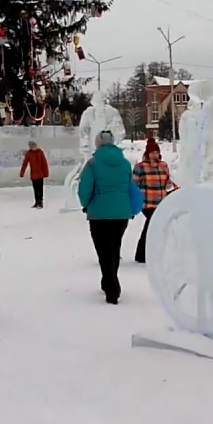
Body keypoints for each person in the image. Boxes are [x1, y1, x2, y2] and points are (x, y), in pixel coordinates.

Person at [77, 129, 135, 304]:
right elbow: (130, 186)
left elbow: (84, 189)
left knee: (103, 252)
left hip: (99, 213)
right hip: (122, 213)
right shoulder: (125, 163)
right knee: (114, 248)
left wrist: (86, 204)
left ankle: (112, 289)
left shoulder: (92, 164)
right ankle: (108, 281)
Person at [132, 137, 178, 263]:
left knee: (152, 227)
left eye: (156, 152)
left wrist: (172, 186)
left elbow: (167, 183)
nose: (155, 155)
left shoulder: (163, 165)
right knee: (152, 225)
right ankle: (142, 254)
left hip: (161, 202)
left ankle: (145, 253)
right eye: (152, 152)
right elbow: (133, 184)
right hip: (147, 203)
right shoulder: (140, 167)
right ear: (147, 154)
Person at [19, 140, 50, 208]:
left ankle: (40, 202)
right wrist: (22, 172)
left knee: (40, 189)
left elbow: (44, 163)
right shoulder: (29, 154)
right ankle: (36, 202)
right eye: (31, 146)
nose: (33, 147)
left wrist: (46, 173)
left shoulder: (40, 152)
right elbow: (25, 163)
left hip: (40, 174)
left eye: (34, 146)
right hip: (33, 175)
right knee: (35, 189)